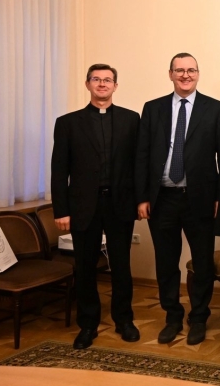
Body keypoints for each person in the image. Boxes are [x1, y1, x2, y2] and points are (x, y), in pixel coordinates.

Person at [135, 52, 220, 346]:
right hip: (162, 198)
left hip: (199, 199)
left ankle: (199, 318)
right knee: (166, 263)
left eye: (191, 70)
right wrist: (142, 197)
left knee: (202, 263)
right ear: (170, 74)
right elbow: (142, 155)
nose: (185, 75)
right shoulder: (153, 109)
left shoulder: (215, 109)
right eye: (180, 70)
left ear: (198, 74)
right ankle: (172, 316)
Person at [51, 64, 140, 349]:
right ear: (87, 84)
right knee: (86, 266)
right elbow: (58, 170)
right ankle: (88, 324)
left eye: (108, 80)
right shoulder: (67, 123)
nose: (102, 84)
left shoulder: (131, 120)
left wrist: (140, 200)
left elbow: (138, 165)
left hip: (120, 205)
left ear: (115, 86)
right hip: (82, 207)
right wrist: (60, 210)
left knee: (122, 265)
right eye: (96, 79)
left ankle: (124, 320)